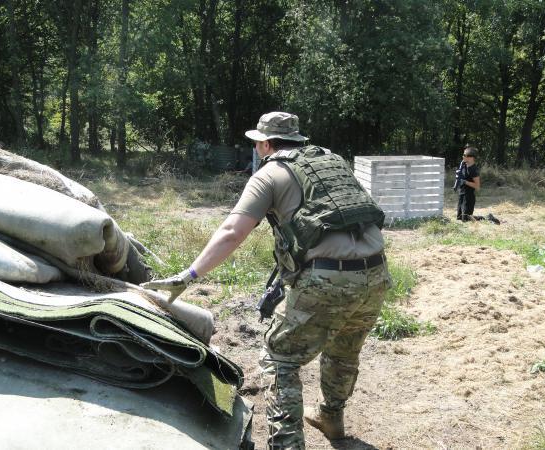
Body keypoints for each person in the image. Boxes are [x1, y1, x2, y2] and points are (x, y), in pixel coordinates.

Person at [141, 112, 391, 449]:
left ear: (266, 144)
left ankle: (286, 445)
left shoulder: (270, 173)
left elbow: (232, 232)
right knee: (343, 351)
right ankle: (332, 417)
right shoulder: (333, 162)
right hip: (376, 273)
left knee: (279, 360)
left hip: (327, 279)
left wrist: (189, 275)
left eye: (258, 143)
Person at [455, 146, 500, 224]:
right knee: (459, 218)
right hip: (462, 194)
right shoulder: (464, 164)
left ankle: (488, 218)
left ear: (471, 158)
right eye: (463, 155)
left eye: (465, 155)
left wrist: (464, 182)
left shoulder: (473, 170)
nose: (463, 156)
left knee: (466, 219)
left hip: (469, 197)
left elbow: (477, 186)